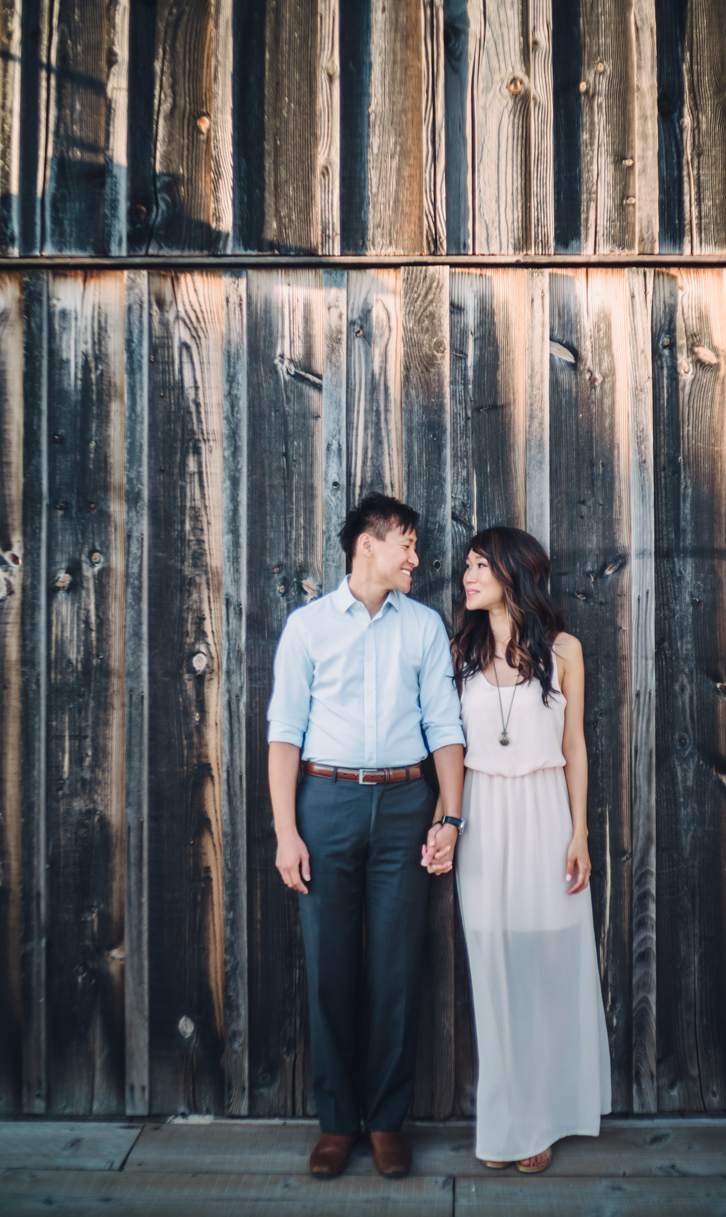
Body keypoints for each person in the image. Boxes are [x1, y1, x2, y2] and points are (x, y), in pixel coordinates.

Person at [267, 492, 465, 1181]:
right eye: (404, 543)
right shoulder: (307, 628)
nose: (416, 556)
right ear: (366, 547)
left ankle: (385, 1121)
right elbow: (283, 734)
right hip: (324, 804)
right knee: (328, 968)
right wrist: (286, 831)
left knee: (396, 967)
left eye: (414, 545)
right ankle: (334, 1123)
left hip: (407, 805)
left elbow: (445, 726)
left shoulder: (423, 627)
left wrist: (449, 815)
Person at [424, 525, 611, 1172]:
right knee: (493, 968)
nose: (467, 577)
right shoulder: (458, 652)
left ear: (512, 573)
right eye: (466, 567)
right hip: (481, 814)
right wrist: (442, 824)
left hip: (543, 812)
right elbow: (446, 750)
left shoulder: (564, 650)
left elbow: (574, 746)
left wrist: (578, 832)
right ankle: (505, 1119)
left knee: (543, 967)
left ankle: (541, 1117)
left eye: (479, 566)